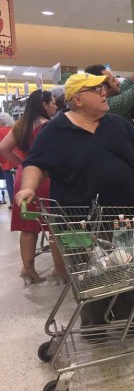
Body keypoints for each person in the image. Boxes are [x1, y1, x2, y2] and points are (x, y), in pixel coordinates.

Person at [16, 73, 134, 328]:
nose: (105, 92)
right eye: (96, 89)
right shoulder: (54, 131)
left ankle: (132, 321)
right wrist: (28, 188)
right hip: (78, 221)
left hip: (128, 217)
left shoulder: (117, 123)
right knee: (89, 275)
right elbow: (35, 164)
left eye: (104, 87)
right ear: (78, 99)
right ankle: (95, 326)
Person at [0, 89, 63, 285]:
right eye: (53, 102)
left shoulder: (20, 124)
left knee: (28, 227)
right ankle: (60, 270)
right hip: (43, 177)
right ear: (44, 105)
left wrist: (21, 163)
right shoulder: (49, 126)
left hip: (23, 176)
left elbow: (2, 148)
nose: (55, 106)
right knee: (53, 226)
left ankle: (28, 268)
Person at [0, 112, 17, 208]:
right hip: (17, 160)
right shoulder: (13, 129)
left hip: (6, 161)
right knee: (18, 182)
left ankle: (12, 203)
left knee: (10, 184)